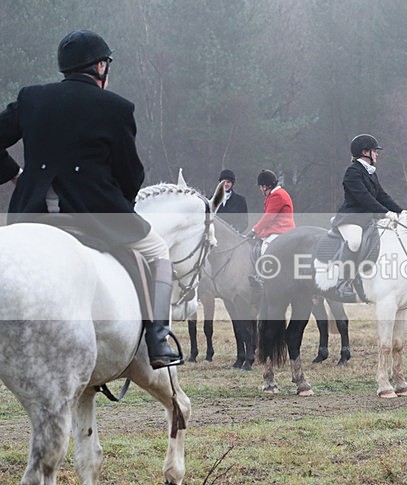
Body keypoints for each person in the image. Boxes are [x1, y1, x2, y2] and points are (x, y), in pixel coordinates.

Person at [0, 30, 181, 368]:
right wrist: (121, 203)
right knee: (158, 250)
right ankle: (158, 337)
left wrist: (16, 175)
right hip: (94, 214)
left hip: (32, 215)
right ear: (100, 66)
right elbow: (131, 174)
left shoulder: (31, 98)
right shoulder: (116, 108)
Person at [330, 134, 405, 301]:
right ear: (365, 152)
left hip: (366, 219)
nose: (377, 154)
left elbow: (382, 196)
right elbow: (364, 197)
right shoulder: (352, 172)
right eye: (374, 151)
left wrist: (402, 212)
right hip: (350, 218)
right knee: (355, 241)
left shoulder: (370, 173)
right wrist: (385, 213)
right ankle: (343, 282)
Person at [248, 169, 295, 287]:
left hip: (282, 229)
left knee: (266, 247)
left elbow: (268, 217)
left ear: (266, 186)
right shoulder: (274, 194)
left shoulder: (277, 195)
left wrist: (254, 230)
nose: (260, 189)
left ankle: (263, 277)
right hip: (277, 228)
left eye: (261, 186)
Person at [216, 169, 249, 233]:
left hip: (231, 236)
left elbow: (244, 222)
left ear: (232, 183)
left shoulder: (240, 200)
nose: (225, 184)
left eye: (228, 182)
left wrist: (235, 230)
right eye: (223, 182)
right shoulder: (213, 199)